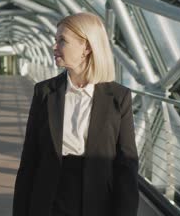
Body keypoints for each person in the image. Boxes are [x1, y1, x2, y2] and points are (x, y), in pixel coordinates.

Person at [13, 12, 139, 216]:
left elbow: (127, 166)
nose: (54, 47)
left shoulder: (118, 97)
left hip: (98, 201)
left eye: (62, 41)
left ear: (87, 48)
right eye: (55, 40)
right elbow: (29, 159)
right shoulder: (44, 92)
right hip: (48, 198)